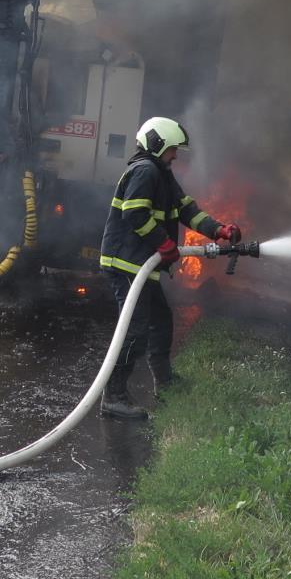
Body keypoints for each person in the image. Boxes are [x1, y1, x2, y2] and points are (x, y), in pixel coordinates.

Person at [97, 117, 241, 420]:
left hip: (140, 267)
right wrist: (163, 243)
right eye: (173, 149)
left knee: (160, 321)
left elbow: (186, 209)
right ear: (158, 144)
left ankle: (165, 382)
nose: (175, 155)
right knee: (135, 330)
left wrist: (218, 230)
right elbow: (134, 213)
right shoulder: (145, 171)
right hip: (126, 265)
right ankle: (114, 396)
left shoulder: (161, 174)